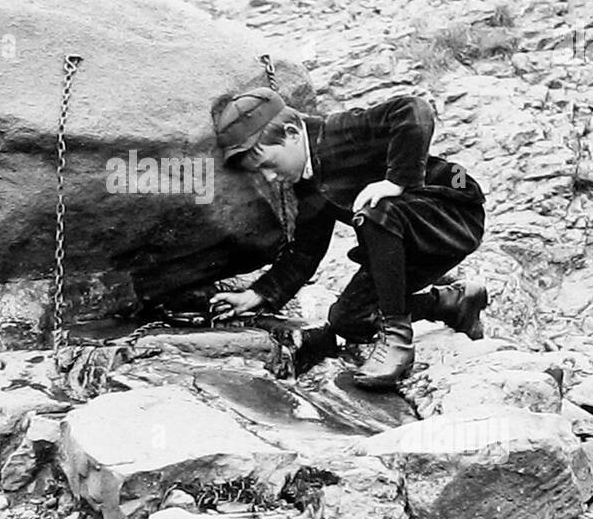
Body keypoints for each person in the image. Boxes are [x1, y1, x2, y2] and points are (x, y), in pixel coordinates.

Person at [209, 87, 488, 389]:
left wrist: (397, 181)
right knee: (347, 320)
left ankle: (397, 343)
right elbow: (305, 254)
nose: (269, 178)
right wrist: (257, 295)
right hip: (402, 245)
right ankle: (454, 303)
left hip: (452, 215)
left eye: (267, 165)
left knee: (376, 209)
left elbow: (413, 110)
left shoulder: (339, 131)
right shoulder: (307, 185)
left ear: (291, 133)